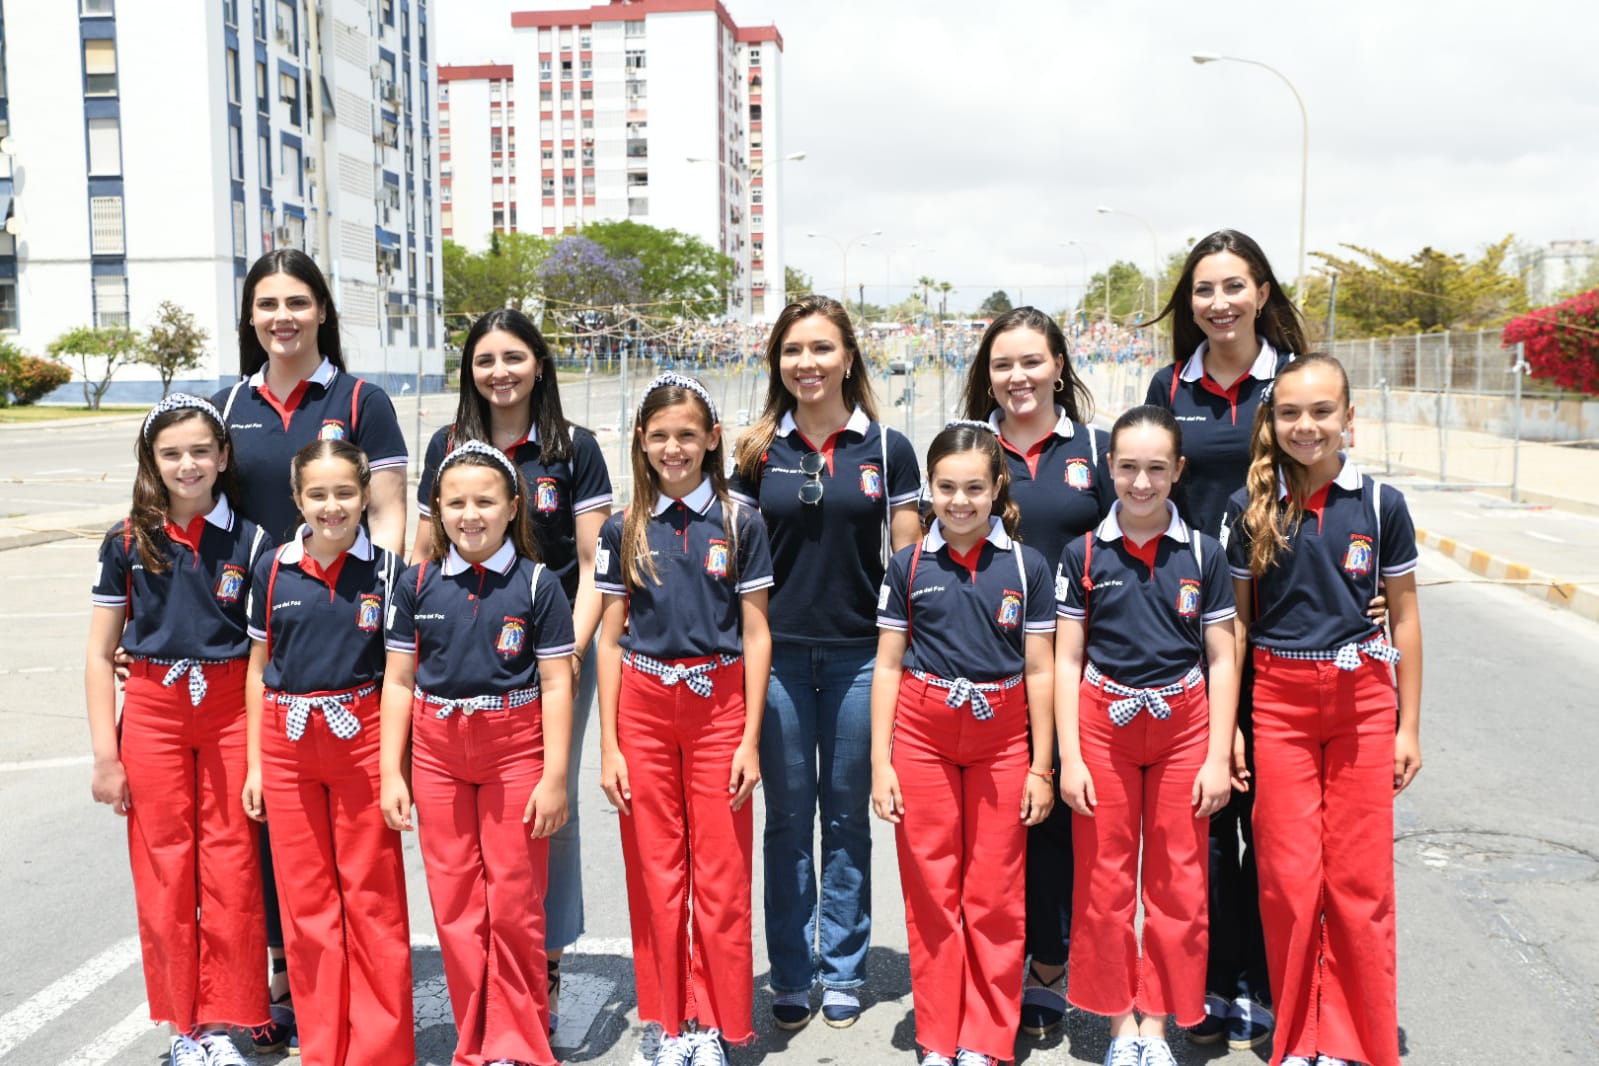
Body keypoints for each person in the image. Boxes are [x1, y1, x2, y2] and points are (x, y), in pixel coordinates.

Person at [214, 248, 409, 1050]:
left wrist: (381, 617)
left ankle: (363, 997)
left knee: (358, 849)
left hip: (346, 632)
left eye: (297, 301)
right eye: (267, 304)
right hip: (251, 631)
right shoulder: (230, 403)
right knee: (267, 825)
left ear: (322, 310)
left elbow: (392, 517)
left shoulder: (362, 399)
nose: (282, 317)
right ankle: (290, 976)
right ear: (250, 317)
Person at [414, 308, 612, 1028]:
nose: (500, 372)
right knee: (466, 830)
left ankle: (543, 967)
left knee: (543, 816)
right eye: (485, 359)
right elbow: (424, 555)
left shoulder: (574, 447)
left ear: (539, 363)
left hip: (553, 653)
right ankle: (480, 969)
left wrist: (566, 649)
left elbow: (593, 564)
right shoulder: (446, 445)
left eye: (514, 357)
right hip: (463, 659)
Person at [1224, 354, 1422, 1066]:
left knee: (1359, 881)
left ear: (1348, 419)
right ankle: (1299, 1033)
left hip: (1363, 704)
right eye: (1289, 414)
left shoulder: (1378, 505)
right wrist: (1235, 729)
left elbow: (1403, 618)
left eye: (1320, 412)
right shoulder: (1249, 507)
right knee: (1286, 878)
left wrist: (1406, 726)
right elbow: (1237, 628)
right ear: (1271, 422)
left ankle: (1351, 1039)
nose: (1305, 426)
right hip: (1277, 706)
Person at [730, 295, 921, 1030]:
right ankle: (788, 969)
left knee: (845, 820)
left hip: (857, 659)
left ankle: (842, 968)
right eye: (791, 351)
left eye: (820, 349)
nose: (805, 363)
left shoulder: (886, 449)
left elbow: (906, 565)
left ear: (848, 357)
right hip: (772, 661)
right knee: (786, 821)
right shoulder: (754, 450)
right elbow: (734, 562)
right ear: (777, 362)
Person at [1143, 230, 1304, 1049]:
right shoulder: (1169, 384)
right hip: (1189, 632)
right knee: (1204, 821)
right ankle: (1206, 982)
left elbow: (1329, 486)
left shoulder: (1293, 384)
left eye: (1233, 286)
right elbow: (1146, 498)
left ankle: (1265, 980)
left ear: (1263, 292)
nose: (1218, 303)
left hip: (1282, 624)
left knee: (1270, 823)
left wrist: (1368, 594)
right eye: (1203, 290)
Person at [85, 395, 272, 1066]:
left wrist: (258, 758)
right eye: (171, 453)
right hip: (156, 714)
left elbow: (263, 656)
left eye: (200, 450)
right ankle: (183, 1027)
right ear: (152, 463)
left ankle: (227, 1022)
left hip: (229, 712)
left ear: (223, 457)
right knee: (165, 869)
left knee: (232, 868)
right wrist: (107, 755)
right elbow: (99, 652)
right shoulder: (127, 540)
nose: (187, 464)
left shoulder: (252, 543)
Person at [1054, 405, 1241, 1066]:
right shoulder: (1082, 554)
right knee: (1104, 884)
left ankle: (1155, 1024)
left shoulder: (1202, 554)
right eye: (1127, 467)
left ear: (1177, 471)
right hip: (1101, 730)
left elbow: (1221, 656)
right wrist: (1068, 757)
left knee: (1176, 884)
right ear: (1108, 468)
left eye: (1155, 469)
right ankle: (1116, 1023)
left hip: (1182, 729)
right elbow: (1066, 659)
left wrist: (1217, 755)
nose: (1140, 482)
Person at [595, 374, 773, 1066]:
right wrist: (608, 744)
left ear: (712, 439)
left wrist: (750, 738)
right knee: (657, 874)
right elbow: (611, 636)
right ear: (641, 441)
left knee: (721, 877)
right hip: (642, 708)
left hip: (718, 705)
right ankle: (668, 1021)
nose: (674, 448)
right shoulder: (623, 527)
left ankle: (713, 1021)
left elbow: (756, 634)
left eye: (687, 436)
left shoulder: (739, 521)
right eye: (660, 436)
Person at [380, 440, 575, 1066]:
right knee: (456, 904)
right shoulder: (415, 584)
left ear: (514, 506)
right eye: (456, 501)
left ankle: (519, 1040)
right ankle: (477, 1041)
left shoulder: (539, 585)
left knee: (515, 901)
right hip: (437, 755)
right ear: (435, 507)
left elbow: (555, 682)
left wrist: (555, 777)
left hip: (515, 752)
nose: (471, 514)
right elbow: (400, 681)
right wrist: (393, 771)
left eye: (486, 501)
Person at [871, 421, 1058, 1066]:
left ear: (997, 485)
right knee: (932, 888)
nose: (959, 501)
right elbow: (888, 665)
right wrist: (880, 763)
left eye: (974, 487)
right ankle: (939, 1034)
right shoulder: (908, 563)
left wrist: (1041, 765)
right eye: (946, 487)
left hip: (1004, 738)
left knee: (995, 891)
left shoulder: (1028, 567)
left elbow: (1039, 669)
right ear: (930, 487)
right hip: (921, 736)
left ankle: (985, 1036)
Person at [960, 307, 1113, 1036]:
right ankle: (987, 963)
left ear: (1059, 364)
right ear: (984, 375)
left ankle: (1049, 964)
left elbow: (1141, 543)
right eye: (1001, 364)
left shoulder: (1098, 448)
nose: (1016, 377)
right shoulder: (968, 451)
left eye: (1030, 361)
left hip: (1079, 670)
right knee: (991, 827)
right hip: (984, 670)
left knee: (1056, 822)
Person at [241, 439, 413, 1066]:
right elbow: (259, 668)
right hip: (287, 746)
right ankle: (325, 1046)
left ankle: (381, 1050)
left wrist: (394, 769)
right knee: (307, 904)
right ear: (297, 499)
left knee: (371, 898)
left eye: (345, 492)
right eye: (317, 493)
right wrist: (258, 764)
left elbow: (400, 677)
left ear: (366, 494)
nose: (332, 506)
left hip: (361, 740)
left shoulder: (391, 573)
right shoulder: (272, 569)